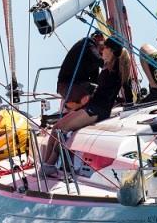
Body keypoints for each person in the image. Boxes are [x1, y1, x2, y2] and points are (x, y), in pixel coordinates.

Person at [42, 37, 127, 173]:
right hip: (91, 106)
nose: (102, 50)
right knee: (56, 127)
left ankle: (51, 164)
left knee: (62, 130)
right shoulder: (106, 69)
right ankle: (45, 165)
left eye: (105, 47)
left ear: (110, 50)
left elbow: (112, 91)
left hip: (98, 110)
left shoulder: (115, 70)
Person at [56, 30, 104, 110]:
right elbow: (99, 60)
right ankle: (72, 106)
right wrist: (114, 67)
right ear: (97, 38)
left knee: (99, 90)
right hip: (68, 86)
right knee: (97, 91)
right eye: (103, 44)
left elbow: (95, 80)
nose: (104, 48)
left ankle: (73, 105)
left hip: (72, 86)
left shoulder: (92, 59)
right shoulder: (88, 44)